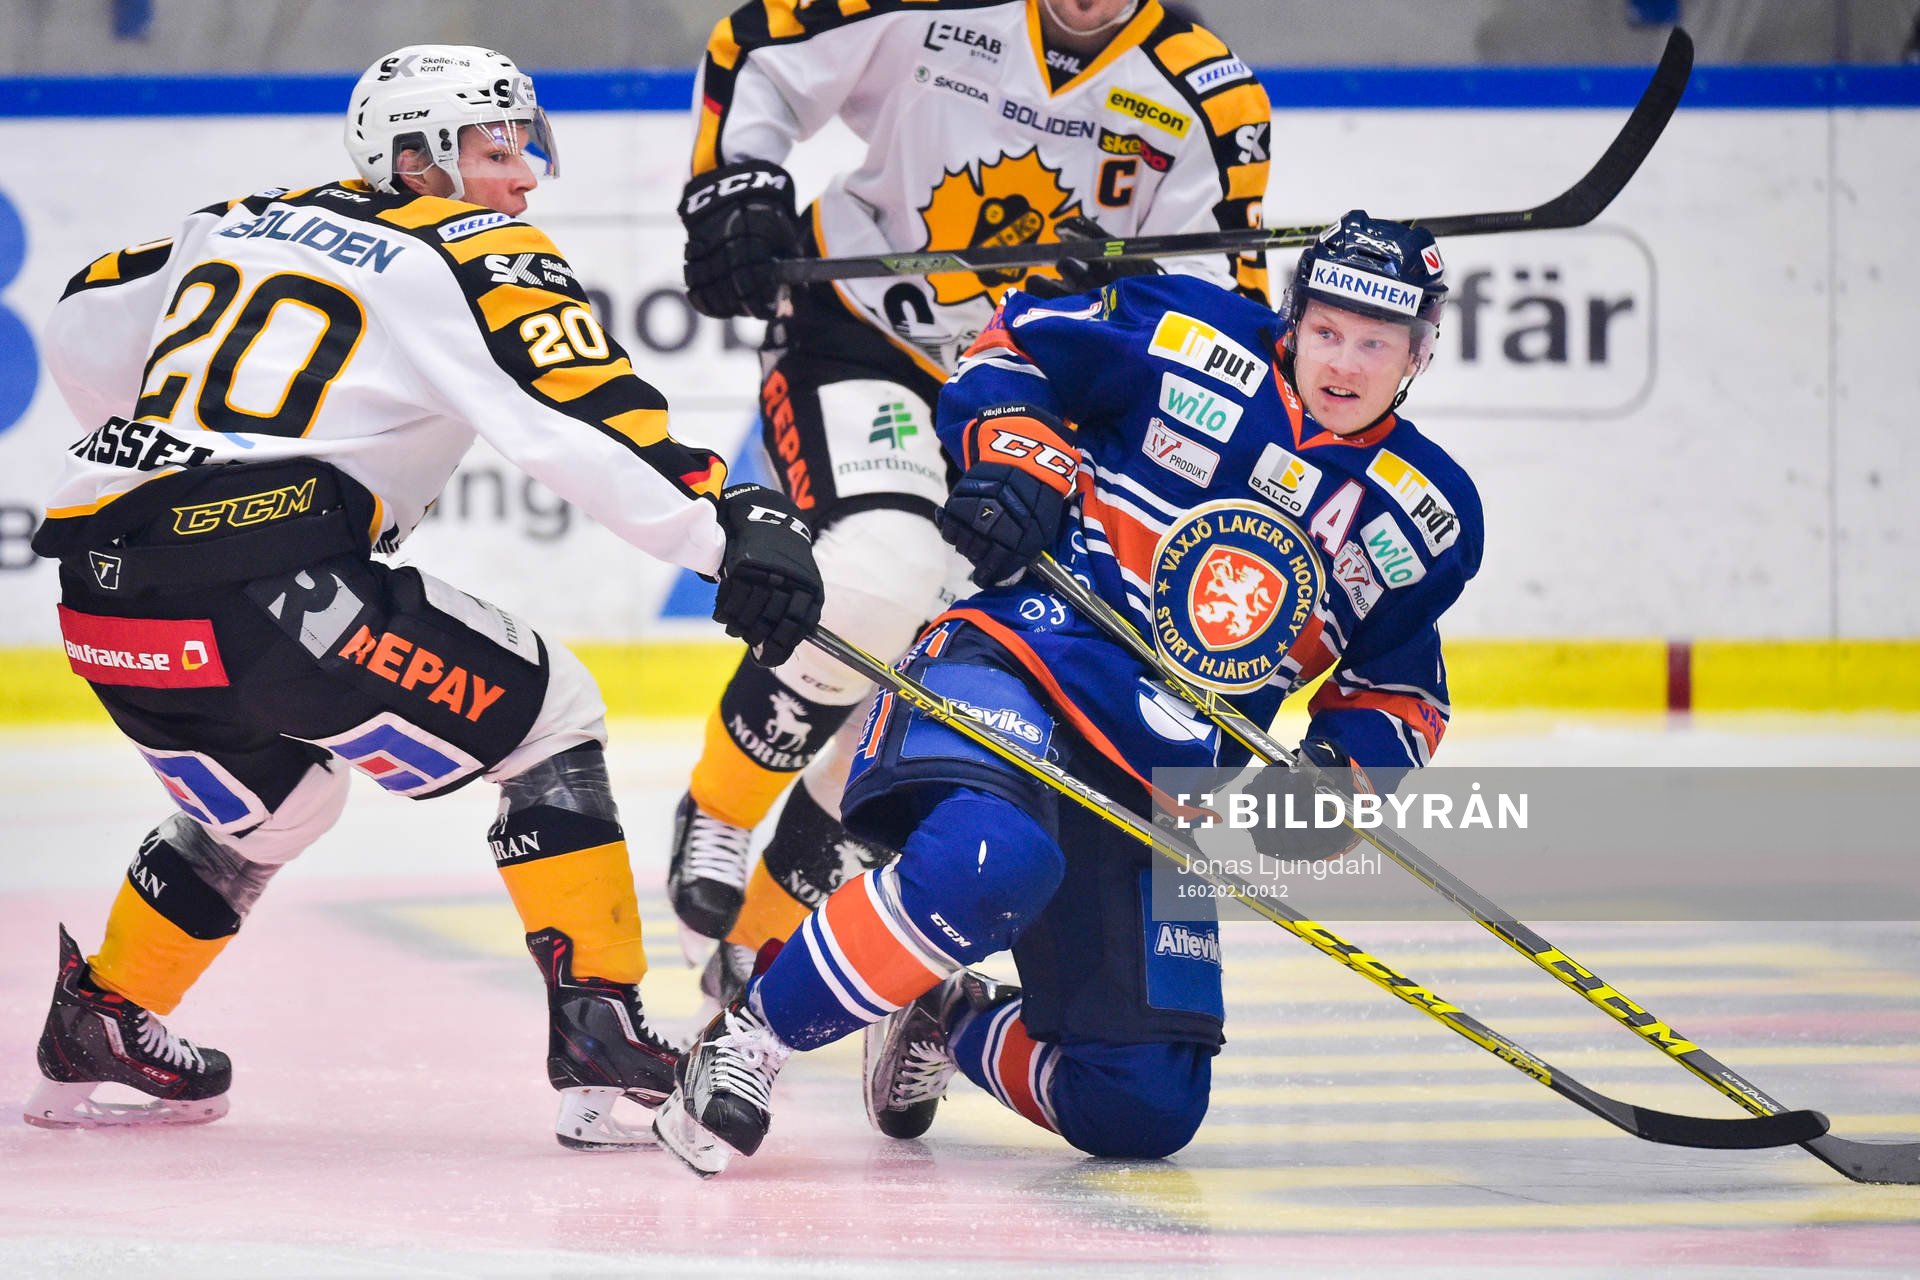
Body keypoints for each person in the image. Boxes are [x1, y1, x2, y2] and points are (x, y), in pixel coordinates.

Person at [22, 44, 823, 1151]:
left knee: (273, 807)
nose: (525, 175)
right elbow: (575, 407)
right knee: (553, 719)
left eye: (526, 146)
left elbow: (82, 313)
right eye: (499, 148)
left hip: (103, 588)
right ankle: (604, 1041)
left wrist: (185, 449)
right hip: (269, 582)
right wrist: (725, 527)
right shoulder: (463, 241)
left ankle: (100, 1017)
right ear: (417, 159)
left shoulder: (237, 215)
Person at [652, 211, 1484, 1174]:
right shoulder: (1187, 332)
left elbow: (1401, 688)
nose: (1345, 364)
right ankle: (745, 1041)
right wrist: (1017, 460)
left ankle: (946, 1017)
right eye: (1330, 332)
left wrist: (1341, 774)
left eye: (1377, 344)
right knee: (992, 858)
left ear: (1418, 354)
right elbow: (1006, 351)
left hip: (1158, 776)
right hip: (1017, 662)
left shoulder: (1428, 513)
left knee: (1142, 1103)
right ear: (1294, 319)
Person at [668, 0, 1275, 1012]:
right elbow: (759, 47)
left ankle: (761, 945)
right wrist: (740, 182)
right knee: (878, 581)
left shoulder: (1208, 95)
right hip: (865, 339)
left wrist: (1135, 295)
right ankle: (723, 803)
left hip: (1035, 392)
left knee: (940, 682)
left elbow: (1228, 313)